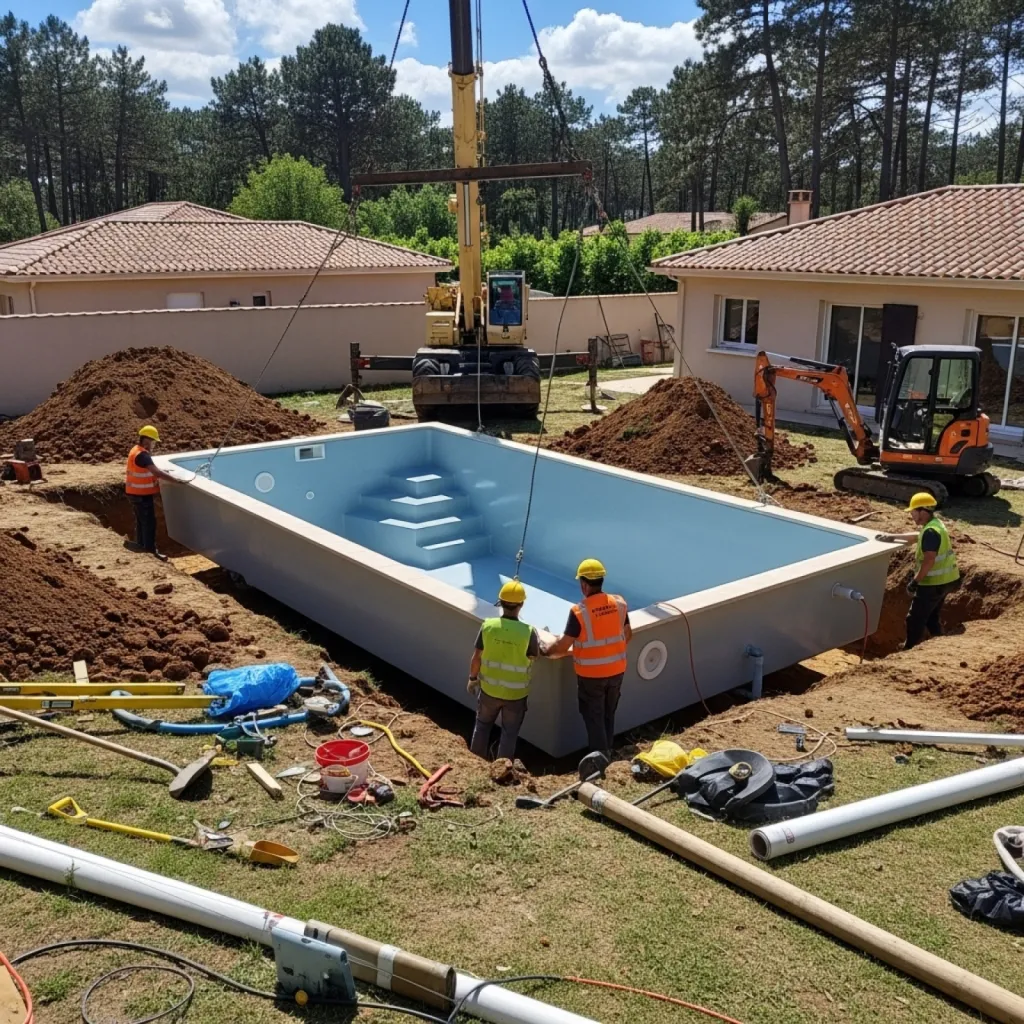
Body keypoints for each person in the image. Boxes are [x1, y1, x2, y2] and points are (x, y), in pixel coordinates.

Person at [541, 559, 631, 757]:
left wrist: (546, 650)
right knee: (608, 714)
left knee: (594, 717)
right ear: (601, 580)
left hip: (592, 676)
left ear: (583, 584)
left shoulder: (579, 611)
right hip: (617, 671)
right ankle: (608, 751)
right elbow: (627, 635)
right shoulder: (619, 603)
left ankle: (600, 760)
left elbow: (563, 645)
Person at [468, 580, 540, 761]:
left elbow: (477, 656)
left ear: (500, 603)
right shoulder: (528, 632)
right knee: (509, 733)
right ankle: (502, 769)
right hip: (516, 695)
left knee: (482, 726)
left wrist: (472, 678)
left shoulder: (488, 626)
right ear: (521, 604)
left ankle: (475, 764)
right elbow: (533, 656)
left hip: (489, 690)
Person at [879, 492, 960, 650]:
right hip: (947, 580)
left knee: (914, 619)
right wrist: (892, 537)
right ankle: (940, 645)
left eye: (913, 512)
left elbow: (929, 559)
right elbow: (918, 536)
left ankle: (909, 649)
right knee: (931, 618)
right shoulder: (934, 525)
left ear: (923, 511)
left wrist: (915, 581)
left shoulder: (930, 532)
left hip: (933, 584)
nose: (911, 515)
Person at [125, 425, 174, 561]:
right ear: (147, 440)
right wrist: (176, 480)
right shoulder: (143, 455)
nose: (153, 445)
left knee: (142, 522)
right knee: (149, 523)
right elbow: (156, 472)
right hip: (141, 495)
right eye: (153, 441)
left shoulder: (135, 450)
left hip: (135, 493)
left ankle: (141, 545)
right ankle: (151, 552)